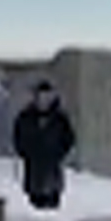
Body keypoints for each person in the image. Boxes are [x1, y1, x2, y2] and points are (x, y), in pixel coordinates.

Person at [11, 79, 76, 211]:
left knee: (52, 203)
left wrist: (59, 153)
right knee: (34, 205)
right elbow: (18, 137)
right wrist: (26, 152)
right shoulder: (26, 117)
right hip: (33, 166)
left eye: (47, 96)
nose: (44, 100)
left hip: (52, 164)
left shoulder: (60, 119)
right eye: (41, 96)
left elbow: (69, 138)